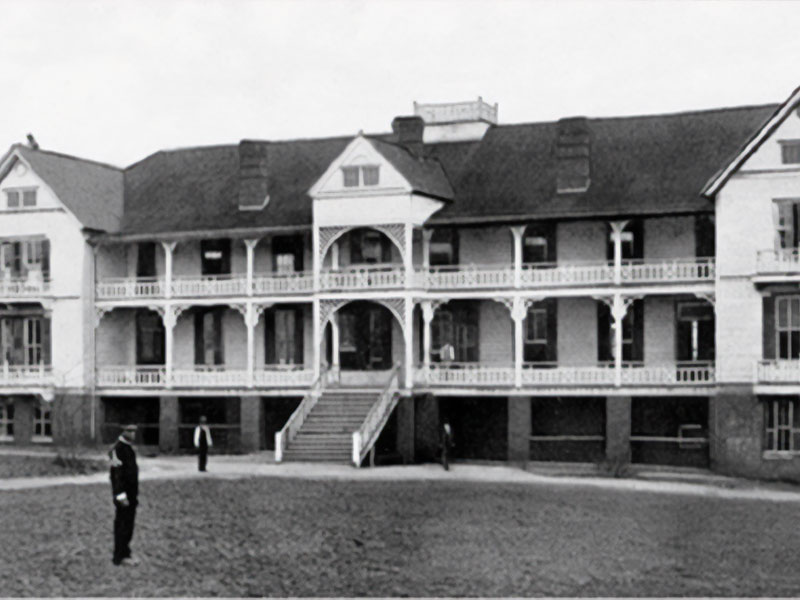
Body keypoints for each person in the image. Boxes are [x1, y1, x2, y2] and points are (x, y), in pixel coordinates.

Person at [109, 424, 139, 566]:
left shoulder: (128, 448)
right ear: (123, 431)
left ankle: (126, 552)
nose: (133, 434)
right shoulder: (118, 449)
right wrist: (120, 495)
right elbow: (117, 475)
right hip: (123, 496)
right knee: (122, 524)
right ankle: (119, 556)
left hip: (131, 494)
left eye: (134, 431)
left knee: (129, 525)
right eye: (130, 430)